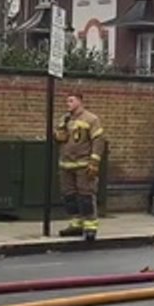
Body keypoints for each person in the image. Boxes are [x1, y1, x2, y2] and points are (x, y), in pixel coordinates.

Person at [54, 92, 106, 240]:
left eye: (71, 101)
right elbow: (59, 138)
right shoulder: (65, 119)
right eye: (67, 101)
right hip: (66, 164)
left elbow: (98, 140)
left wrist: (94, 161)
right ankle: (76, 224)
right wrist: (59, 131)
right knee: (69, 195)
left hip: (83, 164)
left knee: (86, 196)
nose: (68, 104)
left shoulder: (91, 119)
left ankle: (90, 226)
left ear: (80, 102)